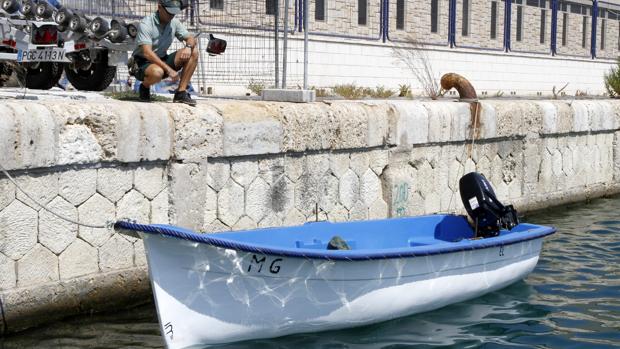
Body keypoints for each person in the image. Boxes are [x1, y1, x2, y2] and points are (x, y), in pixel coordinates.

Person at [132, 0, 198, 106]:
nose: (172, 15)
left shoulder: (174, 22)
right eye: (169, 12)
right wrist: (169, 70)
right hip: (143, 62)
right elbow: (147, 53)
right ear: (159, 7)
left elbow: (190, 38)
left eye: (174, 12)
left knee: (193, 51)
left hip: (162, 59)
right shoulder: (146, 23)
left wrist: (188, 47)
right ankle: (144, 86)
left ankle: (181, 92)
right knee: (157, 72)